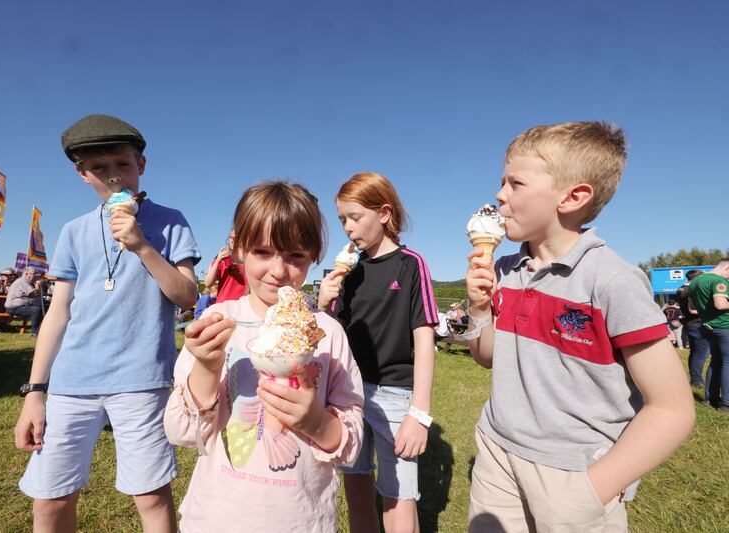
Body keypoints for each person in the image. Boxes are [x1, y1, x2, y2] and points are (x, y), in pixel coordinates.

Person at [464, 121, 694, 531]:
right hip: (497, 454)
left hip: (575, 472)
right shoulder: (506, 269)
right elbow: (486, 358)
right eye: (502, 181)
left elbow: (672, 409)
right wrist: (480, 308)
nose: (499, 194)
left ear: (573, 197)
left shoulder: (611, 280)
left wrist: (591, 489)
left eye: (515, 183)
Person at [13, 114, 200, 531]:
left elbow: (187, 298)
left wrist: (142, 246)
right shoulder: (73, 231)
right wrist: (35, 392)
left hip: (141, 379)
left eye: (123, 164)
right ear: (82, 174)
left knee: (151, 495)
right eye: (100, 168)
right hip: (72, 381)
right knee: (50, 499)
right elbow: (59, 313)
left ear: (142, 166)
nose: (114, 178)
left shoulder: (170, 221)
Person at [164, 181, 363, 532]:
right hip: (217, 516)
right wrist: (208, 368)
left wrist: (314, 420)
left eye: (295, 255)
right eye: (262, 251)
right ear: (239, 248)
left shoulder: (327, 334)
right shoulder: (217, 322)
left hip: (300, 519)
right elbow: (180, 432)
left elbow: (351, 448)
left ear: (314, 255)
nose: (278, 270)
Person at [318, 172, 438, 533]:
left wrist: (420, 413)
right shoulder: (347, 275)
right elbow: (330, 337)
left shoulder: (410, 264)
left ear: (384, 213)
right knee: (356, 488)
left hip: (395, 396)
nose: (348, 228)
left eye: (355, 217)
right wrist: (323, 305)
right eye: (342, 220)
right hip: (349, 394)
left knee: (397, 496)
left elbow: (424, 338)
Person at [688, 258, 729, 412]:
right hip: (725, 326)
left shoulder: (694, 282)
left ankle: (710, 399)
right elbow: (720, 304)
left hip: (707, 326)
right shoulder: (719, 281)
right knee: (727, 363)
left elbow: (692, 307)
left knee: (716, 361)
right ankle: (726, 403)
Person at [675, 270, 711, 388]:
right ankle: (697, 381)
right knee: (702, 352)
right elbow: (695, 308)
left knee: (695, 351)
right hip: (697, 322)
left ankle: (695, 379)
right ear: (698, 277)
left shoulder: (681, 288)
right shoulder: (692, 289)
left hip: (689, 322)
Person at [203, 230, 247, 302]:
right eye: (231, 237)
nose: (232, 240)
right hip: (223, 306)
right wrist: (217, 261)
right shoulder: (221, 258)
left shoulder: (251, 258)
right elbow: (208, 283)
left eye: (236, 237)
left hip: (244, 306)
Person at [5, 267, 45, 337]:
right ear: (27, 274)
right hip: (13, 307)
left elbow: (37, 295)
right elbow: (33, 295)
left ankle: (40, 330)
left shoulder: (26, 282)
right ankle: (35, 332)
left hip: (20, 306)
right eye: (34, 274)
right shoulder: (22, 281)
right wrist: (37, 287)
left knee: (39, 308)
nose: (36, 276)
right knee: (36, 310)